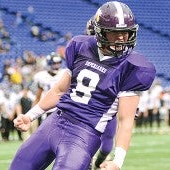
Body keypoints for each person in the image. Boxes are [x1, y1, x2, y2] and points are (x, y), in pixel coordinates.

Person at [10, 1, 156, 170]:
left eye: (125, 32)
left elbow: (125, 120)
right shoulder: (81, 46)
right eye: (115, 33)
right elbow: (59, 91)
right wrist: (30, 116)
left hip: (83, 134)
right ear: (100, 32)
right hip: (55, 121)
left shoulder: (132, 66)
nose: (122, 37)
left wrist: (118, 161)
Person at [84, 16, 118, 170]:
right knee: (84, 145)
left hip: (108, 108)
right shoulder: (81, 52)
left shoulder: (118, 57)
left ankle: (98, 164)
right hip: (85, 109)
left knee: (106, 147)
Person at [31, 52, 66, 126]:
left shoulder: (64, 74)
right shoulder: (41, 76)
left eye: (58, 63)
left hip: (61, 108)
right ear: (49, 63)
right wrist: (31, 113)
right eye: (54, 63)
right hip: (46, 109)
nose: (57, 65)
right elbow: (38, 96)